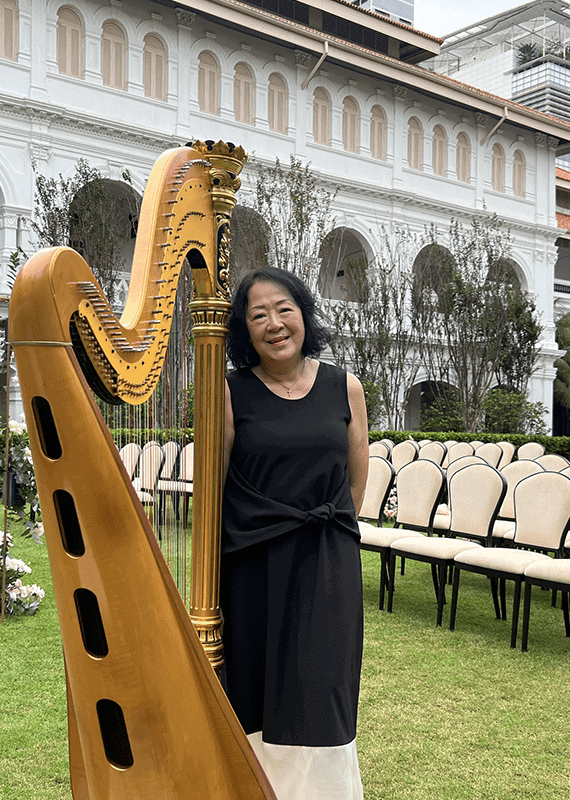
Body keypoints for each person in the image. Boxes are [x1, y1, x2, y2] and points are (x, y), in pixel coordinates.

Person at [221, 267, 370, 799]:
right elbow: (214, 489)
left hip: (327, 564)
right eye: (258, 314)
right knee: (257, 693)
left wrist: (323, 539)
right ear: (244, 329)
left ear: (304, 313)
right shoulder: (230, 392)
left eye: (284, 308)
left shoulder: (344, 386)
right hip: (252, 567)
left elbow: (355, 485)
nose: (274, 323)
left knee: (322, 690)